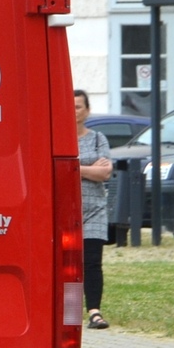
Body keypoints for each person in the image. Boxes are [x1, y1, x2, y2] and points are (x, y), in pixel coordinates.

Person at [74, 89, 112, 329]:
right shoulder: (55, 137)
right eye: (70, 106)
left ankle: (94, 312)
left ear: (87, 111)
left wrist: (74, 169)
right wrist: (89, 169)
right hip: (66, 211)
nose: (74, 111)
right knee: (67, 264)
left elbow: (105, 172)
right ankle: (68, 311)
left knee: (91, 262)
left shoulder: (98, 138)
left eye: (78, 106)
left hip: (94, 211)